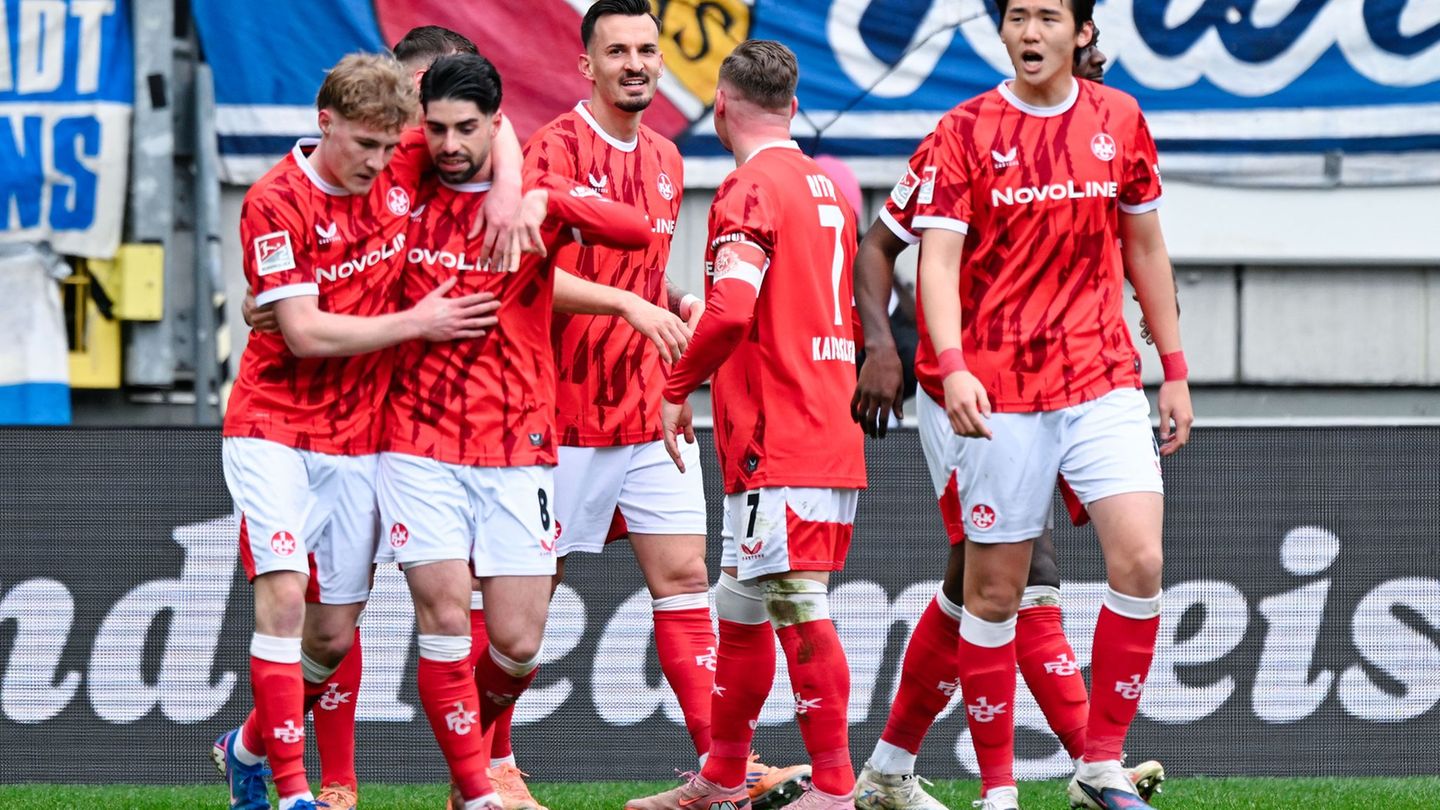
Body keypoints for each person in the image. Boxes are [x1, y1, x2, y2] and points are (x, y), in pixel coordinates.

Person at [849, 27, 1163, 810]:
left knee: (982, 584)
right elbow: (879, 249)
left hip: (1070, 384)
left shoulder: (1102, 129)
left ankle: (893, 768)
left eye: (1089, 65)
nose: (1085, 76)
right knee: (1011, 580)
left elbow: (1126, 244)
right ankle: (1077, 764)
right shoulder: (959, 140)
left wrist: (1161, 321)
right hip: (967, 388)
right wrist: (882, 346)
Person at [523, 4, 809, 805]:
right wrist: (624, 306)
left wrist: (675, 302)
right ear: (587, 66)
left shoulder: (665, 157)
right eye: (617, 51)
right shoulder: (551, 150)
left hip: (648, 408)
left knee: (686, 579)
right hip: (562, 413)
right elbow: (526, 279)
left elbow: (646, 281)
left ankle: (726, 772)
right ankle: (489, 771)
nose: (636, 63)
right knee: (524, 609)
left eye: (648, 49)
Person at [212, 53, 502, 810]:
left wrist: (509, 194)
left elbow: (493, 136)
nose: (377, 162)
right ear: (324, 123)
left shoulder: (403, 158)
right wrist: (421, 322)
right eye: (362, 145)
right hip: (271, 423)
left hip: (361, 438)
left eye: (387, 145)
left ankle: (245, 748)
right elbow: (303, 334)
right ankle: (293, 791)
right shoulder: (274, 201)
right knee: (283, 593)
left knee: (332, 637)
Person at [382, 52, 655, 810]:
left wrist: (541, 200)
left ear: (498, 126)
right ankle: (473, 790)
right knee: (442, 616)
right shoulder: (406, 177)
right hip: (419, 441)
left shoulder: (534, 190)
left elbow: (634, 230)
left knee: (518, 642)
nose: (447, 143)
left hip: (519, 448)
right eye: (435, 127)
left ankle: (469, 747)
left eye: (466, 128)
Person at [626, 39, 867, 810]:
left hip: (781, 436)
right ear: (792, 107)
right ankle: (722, 777)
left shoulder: (748, 189)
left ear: (721, 106)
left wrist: (675, 387)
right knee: (738, 606)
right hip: (823, 420)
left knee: (796, 604)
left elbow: (732, 311)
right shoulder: (824, 187)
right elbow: (771, 308)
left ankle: (833, 788)